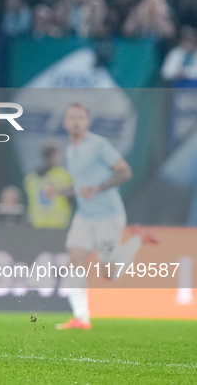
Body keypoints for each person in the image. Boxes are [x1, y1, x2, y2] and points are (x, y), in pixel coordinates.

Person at [50, 103, 158, 330]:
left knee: (109, 274)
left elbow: (125, 172)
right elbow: (81, 187)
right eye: (72, 118)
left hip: (108, 216)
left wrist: (99, 188)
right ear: (65, 123)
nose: (76, 121)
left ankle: (138, 238)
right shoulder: (70, 150)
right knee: (75, 260)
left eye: (80, 117)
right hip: (84, 217)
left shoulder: (99, 145)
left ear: (87, 122)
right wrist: (58, 192)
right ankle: (81, 317)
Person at [23, 140, 73, 229]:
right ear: (55, 157)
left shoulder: (31, 178)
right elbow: (72, 194)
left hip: (37, 222)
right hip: (58, 222)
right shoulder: (62, 175)